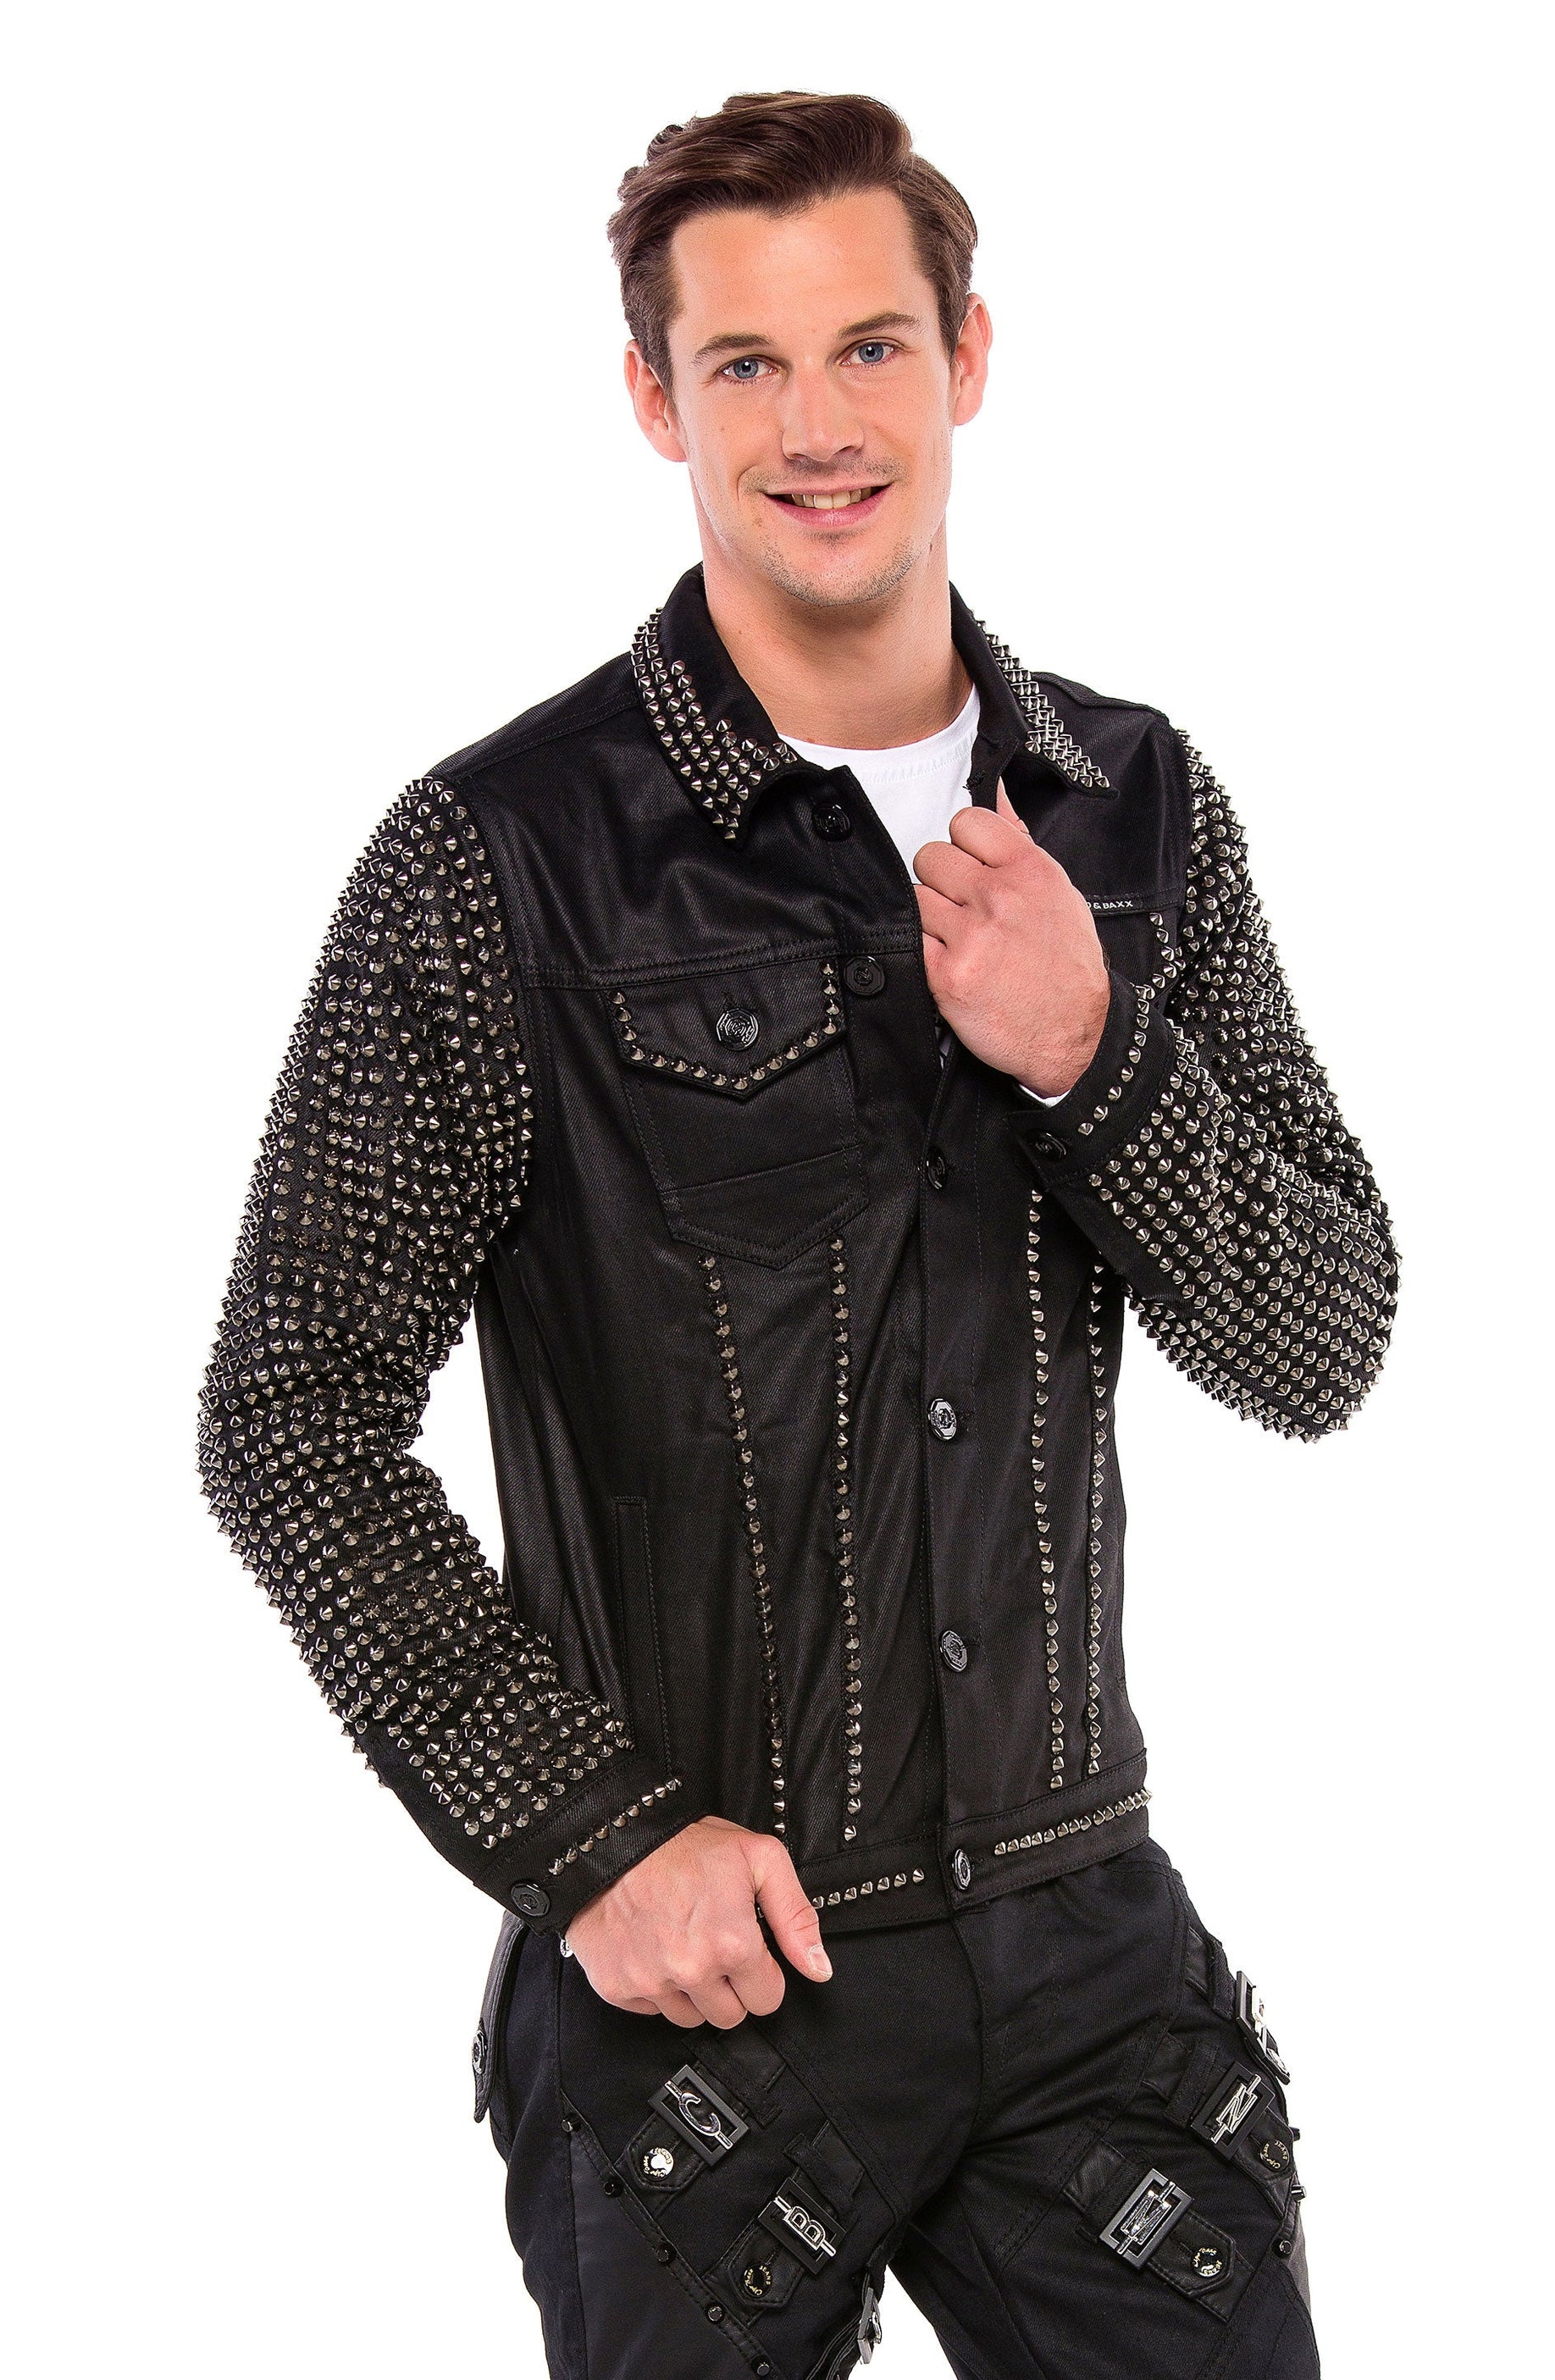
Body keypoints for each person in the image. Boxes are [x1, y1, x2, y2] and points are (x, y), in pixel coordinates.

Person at [199, 88, 1397, 2380]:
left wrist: (1095, 1056)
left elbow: (1321, 1337)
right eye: (744, 362)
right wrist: (590, 1836)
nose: (818, 425)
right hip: (707, 1995)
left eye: (869, 347)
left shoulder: (1132, 808)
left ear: (968, 357)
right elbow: (292, 1413)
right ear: (655, 399)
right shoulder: (499, 860)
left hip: (1084, 1945)